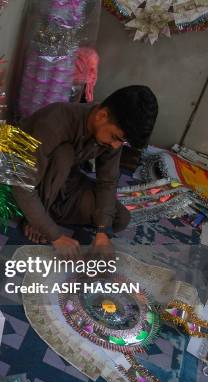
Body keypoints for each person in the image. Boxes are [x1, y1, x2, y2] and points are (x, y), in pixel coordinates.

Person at [12, 85, 158, 256]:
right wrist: (55, 235)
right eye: (115, 138)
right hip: (26, 182)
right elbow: (21, 185)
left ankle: (41, 217)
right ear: (102, 116)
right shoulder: (55, 122)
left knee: (119, 219)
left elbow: (108, 182)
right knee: (63, 156)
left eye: (122, 142)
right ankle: (36, 218)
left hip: (63, 185)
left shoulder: (111, 136)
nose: (116, 146)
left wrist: (103, 231)